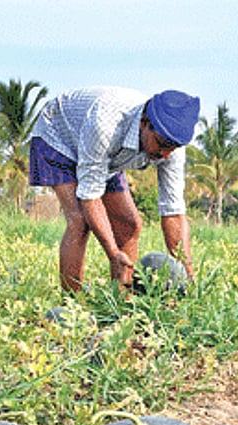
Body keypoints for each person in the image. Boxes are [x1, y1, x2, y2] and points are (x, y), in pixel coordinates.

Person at [29, 87, 200, 291]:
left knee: (130, 224)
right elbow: (90, 198)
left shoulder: (171, 147)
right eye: (161, 145)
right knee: (80, 221)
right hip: (60, 134)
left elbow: (173, 212)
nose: (165, 155)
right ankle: (72, 305)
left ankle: (121, 300)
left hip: (104, 154)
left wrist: (187, 276)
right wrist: (113, 253)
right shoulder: (106, 125)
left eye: (171, 149)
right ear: (145, 122)